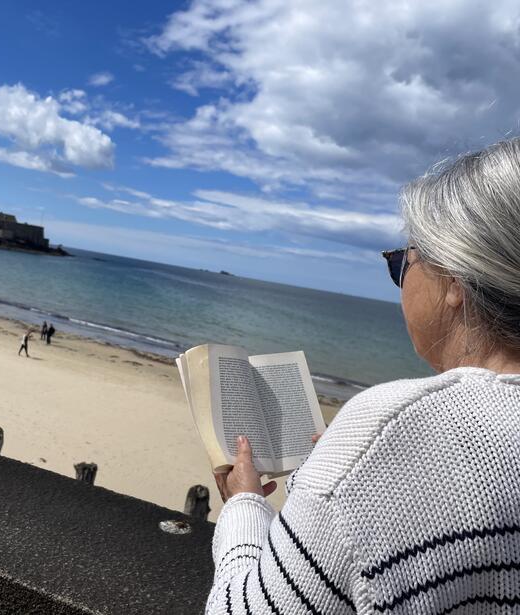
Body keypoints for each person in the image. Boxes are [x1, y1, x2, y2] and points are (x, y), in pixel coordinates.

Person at [206, 139, 520, 614]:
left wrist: (244, 506)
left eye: (403, 263)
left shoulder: (390, 429)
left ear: (456, 280)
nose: (400, 281)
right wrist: (328, 487)